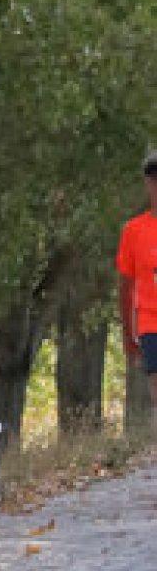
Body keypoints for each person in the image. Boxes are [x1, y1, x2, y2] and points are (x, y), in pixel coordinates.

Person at [116, 148, 157, 426]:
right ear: (148, 183)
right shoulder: (134, 230)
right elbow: (125, 286)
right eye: (154, 181)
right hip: (150, 323)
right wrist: (128, 334)